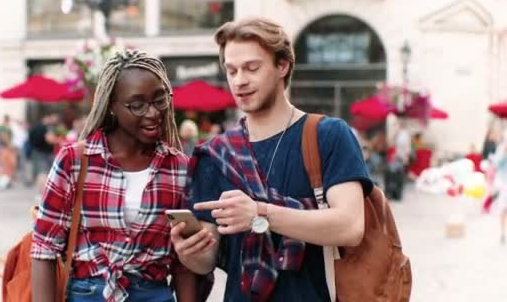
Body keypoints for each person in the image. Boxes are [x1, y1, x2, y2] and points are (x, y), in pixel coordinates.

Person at [170, 17, 373, 301]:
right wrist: (190, 252)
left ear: (282, 65)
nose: (240, 80)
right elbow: (207, 260)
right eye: (231, 71)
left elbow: (350, 227)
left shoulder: (328, 135)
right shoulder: (216, 154)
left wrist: (259, 213)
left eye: (252, 68)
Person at [31, 50, 197, 302]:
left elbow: (184, 263)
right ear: (112, 107)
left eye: (160, 100)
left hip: (153, 295)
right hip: (87, 293)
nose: (153, 113)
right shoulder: (75, 161)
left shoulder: (179, 168)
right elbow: (44, 248)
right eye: (137, 104)